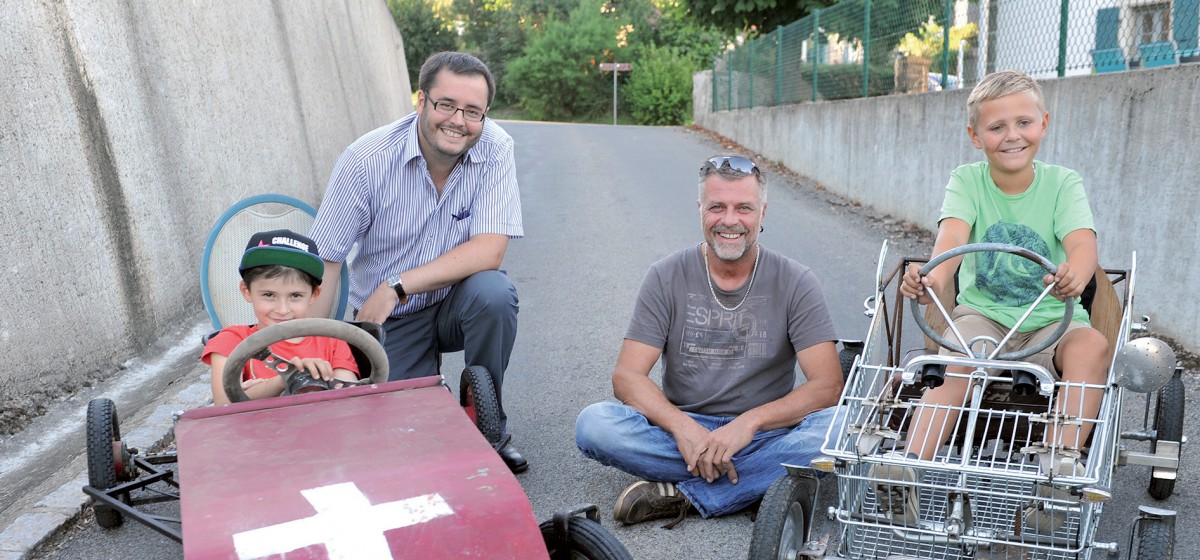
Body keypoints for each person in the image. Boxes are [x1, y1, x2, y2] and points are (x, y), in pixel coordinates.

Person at [871, 70, 1110, 530]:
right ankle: (907, 468)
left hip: (1051, 318)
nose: (1011, 136)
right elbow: (951, 240)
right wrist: (930, 279)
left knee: (1092, 349)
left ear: (1043, 123)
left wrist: (1075, 274)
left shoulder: (1062, 183)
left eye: (1023, 123)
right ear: (975, 136)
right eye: (996, 127)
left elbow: (1082, 246)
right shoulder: (968, 180)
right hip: (984, 317)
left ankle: (1057, 474)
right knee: (960, 367)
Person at [575, 155, 843, 527]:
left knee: (843, 426)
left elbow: (827, 386)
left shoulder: (796, 280)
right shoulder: (666, 275)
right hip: (682, 431)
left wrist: (748, 423)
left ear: (762, 213)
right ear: (700, 209)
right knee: (594, 425)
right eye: (717, 206)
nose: (730, 220)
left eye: (743, 208)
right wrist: (683, 428)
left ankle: (687, 494)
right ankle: (761, 482)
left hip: (765, 432)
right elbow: (627, 377)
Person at [308, 51, 527, 473]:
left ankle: (490, 426)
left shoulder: (496, 148)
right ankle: (433, 398)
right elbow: (327, 261)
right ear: (421, 100)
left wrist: (395, 285)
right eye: (446, 104)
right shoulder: (365, 160)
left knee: (495, 293)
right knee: (402, 442)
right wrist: (313, 347)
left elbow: (490, 250)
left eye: (472, 111)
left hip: (453, 302)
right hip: (390, 320)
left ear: (485, 116)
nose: (458, 121)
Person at [202, 229, 359, 406]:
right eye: (269, 295)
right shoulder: (232, 340)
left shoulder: (332, 339)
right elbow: (224, 404)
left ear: (314, 294)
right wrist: (285, 379)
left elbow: (350, 399)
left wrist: (310, 381)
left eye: (295, 296)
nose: (283, 310)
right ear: (247, 291)